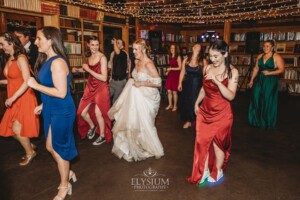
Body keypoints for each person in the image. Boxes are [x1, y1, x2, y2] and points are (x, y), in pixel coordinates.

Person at [27, 26, 77, 200]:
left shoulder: (57, 62)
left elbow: (62, 92)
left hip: (62, 110)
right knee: (49, 146)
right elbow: (51, 87)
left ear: (50, 40)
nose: (35, 42)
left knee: (59, 148)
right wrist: (43, 104)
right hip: (51, 107)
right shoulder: (47, 60)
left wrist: (35, 85)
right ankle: (68, 171)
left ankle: (64, 185)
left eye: (39, 38)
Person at [186, 40, 239, 185]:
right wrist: (197, 102)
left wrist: (217, 82)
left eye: (216, 56)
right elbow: (204, 88)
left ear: (225, 54)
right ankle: (203, 171)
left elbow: (231, 96)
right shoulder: (207, 68)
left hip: (222, 113)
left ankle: (218, 171)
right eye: (211, 56)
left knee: (217, 144)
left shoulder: (232, 72)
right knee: (202, 143)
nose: (213, 59)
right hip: (205, 111)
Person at [108, 39, 164, 162]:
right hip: (135, 96)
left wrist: (142, 83)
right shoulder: (136, 60)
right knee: (132, 121)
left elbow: (159, 82)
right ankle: (135, 145)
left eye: (135, 49)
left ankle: (149, 146)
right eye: (133, 49)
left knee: (145, 124)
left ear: (143, 49)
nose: (133, 52)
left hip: (147, 97)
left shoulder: (148, 64)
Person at [0, 32, 39, 166]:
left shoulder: (21, 58)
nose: (1, 47)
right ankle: (28, 143)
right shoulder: (10, 58)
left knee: (16, 129)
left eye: (2, 44)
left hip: (24, 97)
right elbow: (13, 80)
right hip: (15, 97)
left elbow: (27, 80)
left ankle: (30, 152)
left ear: (11, 43)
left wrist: (13, 97)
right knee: (9, 128)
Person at [76, 36, 112, 145]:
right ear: (88, 45)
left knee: (98, 113)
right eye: (92, 45)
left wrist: (88, 70)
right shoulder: (89, 57)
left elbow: (104, 77)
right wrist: (78, 69)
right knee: (81, 112)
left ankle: (102, 135)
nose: (95, 47)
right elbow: (89, 69)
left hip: (101, 87)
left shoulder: (102, 58)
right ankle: (92, 126)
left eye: (97, 45)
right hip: (90, 86)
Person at [248, 40, 285, 128]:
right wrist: (251, 80)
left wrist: (270, 73)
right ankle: (255, 120)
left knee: (267, 99)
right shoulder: (260, 56)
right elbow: (256, 68)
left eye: (268, 46)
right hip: (260, 80)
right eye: (264, 46)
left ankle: (266, 121)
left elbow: (281, 69)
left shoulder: (276, 57)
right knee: (256, 97)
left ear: (272, 47)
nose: (265, 48)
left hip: (270, 81)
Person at [178, 44, 208, 128]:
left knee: (196, 102)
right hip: (187, 84)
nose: (195, 46)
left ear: (200, 50)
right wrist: (180, 83)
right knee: (187, 102)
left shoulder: (203, 61)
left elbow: (206, 75)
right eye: (194, 46)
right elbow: (182, 72)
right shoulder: (186, 60)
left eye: (198, 46)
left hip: (197, 85)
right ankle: (188, 121)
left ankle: (198, 121)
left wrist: (206, 86)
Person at [108, 38, 130, 104]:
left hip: (120, 81)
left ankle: (115, 114)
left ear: (122, 46)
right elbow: (112, 67)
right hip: (113, 81)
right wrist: (110, 77)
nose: (116, 43)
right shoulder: (113, 54)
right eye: (116, 42)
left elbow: (118, 52)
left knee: (116, 101)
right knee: (106, 96)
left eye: (118, 43)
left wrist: (129, 74)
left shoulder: (124, 53)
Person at [165, 44, 182, 111]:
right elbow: (170, 67)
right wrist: (167, 72)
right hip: (170, 75)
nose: (172, 49)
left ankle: (175, 106)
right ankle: (170, 104)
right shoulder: (170, 56)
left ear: (176, 49)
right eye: (171, 48)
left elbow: (180, 68)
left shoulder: (178, 57)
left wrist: (171, 69)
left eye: (173, 48)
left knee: (174, 92)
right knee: (169, 91)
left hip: (176, 75)